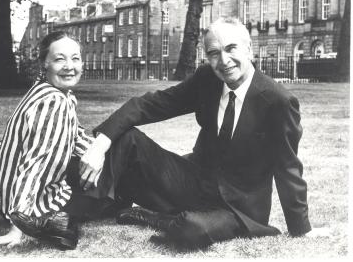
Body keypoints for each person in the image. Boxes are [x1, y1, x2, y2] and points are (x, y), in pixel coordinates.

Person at [77, 17, 319, 248]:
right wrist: (101, 143)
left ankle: (155, 217)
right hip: (193, 182)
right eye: (214, 53)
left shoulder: (278, 101)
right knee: (127, 139)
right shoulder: (207, 79)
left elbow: (288, 167)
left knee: (192, 230)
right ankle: (82, 212)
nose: (224, 60)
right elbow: (149, 105)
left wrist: (301, 228)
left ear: (249, 50)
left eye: (231, 48)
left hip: (236, 207)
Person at [0, 31, 95, 251]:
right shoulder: (54, 102)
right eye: (59, 59)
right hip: (34, 206)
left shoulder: (49, 91)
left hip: (11, 196)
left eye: (75, 58)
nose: (69, 66)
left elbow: (75, 135)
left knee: (109, 153)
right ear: (44, 63)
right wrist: (19, 225)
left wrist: (96, 151)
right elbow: (36, 163)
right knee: (125, 156)